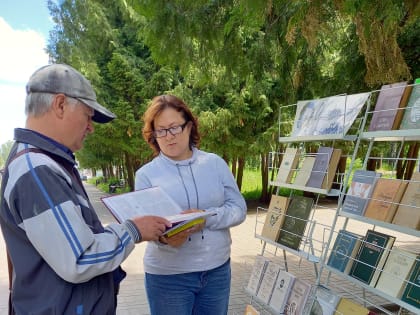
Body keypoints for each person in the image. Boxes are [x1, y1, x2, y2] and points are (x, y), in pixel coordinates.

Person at [0, 64, 171, 315]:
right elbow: (79, 259)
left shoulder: (43, 162)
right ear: (60, 105)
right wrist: (133, 230)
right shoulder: (37, 170)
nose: (90, 127)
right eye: (88, 116)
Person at [135, 94, 247, 315]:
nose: (169, 136)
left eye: (175, 127)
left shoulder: (214, 164)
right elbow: (147, 226)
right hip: (168, 277)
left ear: (189, 126)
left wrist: (205, 218)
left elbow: (239, 209)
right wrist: (165, 238)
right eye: (161, 130)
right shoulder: (146, 175)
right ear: (153, 135)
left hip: (216, 271)